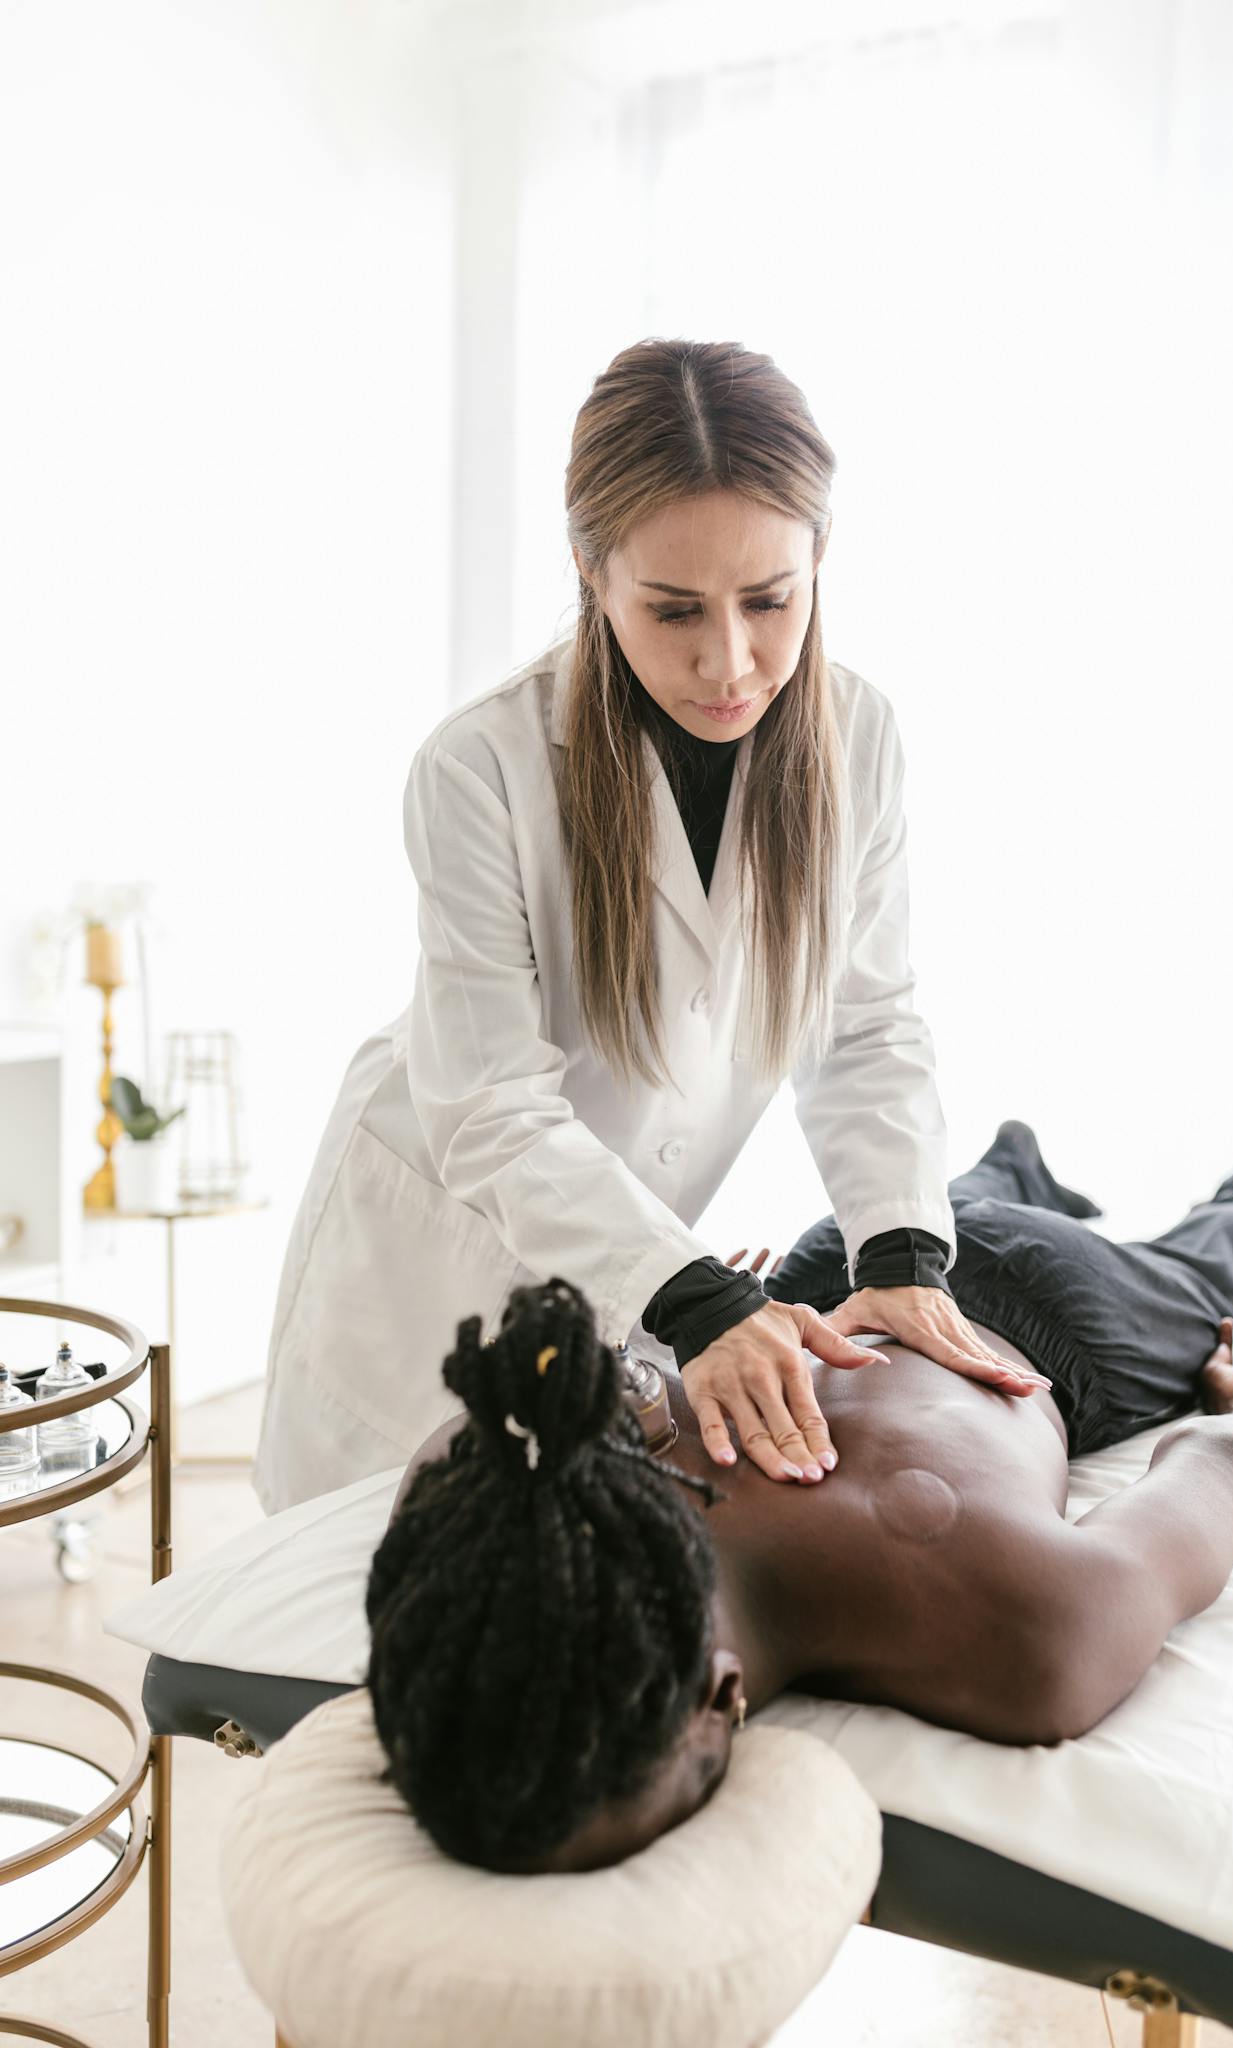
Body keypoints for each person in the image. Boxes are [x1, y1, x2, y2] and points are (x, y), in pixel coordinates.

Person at [254, 337, 1023, 1515]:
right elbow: (495, 1112)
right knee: (350, 1586)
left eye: (772, 600)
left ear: (824, 556)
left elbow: (863, 1024)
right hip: (427, 1252)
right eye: (674, 610)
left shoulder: (860, 739)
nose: (731, 661)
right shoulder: (481, 769)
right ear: (589, 572)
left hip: (620, 1268)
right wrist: (703, 1298)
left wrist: (904, 1256)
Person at [365, 1124, 1233, 1876]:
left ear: (723, 1697)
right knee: (968, 1209)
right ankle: (1010, 1162)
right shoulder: (491, 1471)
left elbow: (1213, 1469)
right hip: (812, 1280)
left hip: (1046, 1311)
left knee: (1212, 1263)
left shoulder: (1035, 1642)